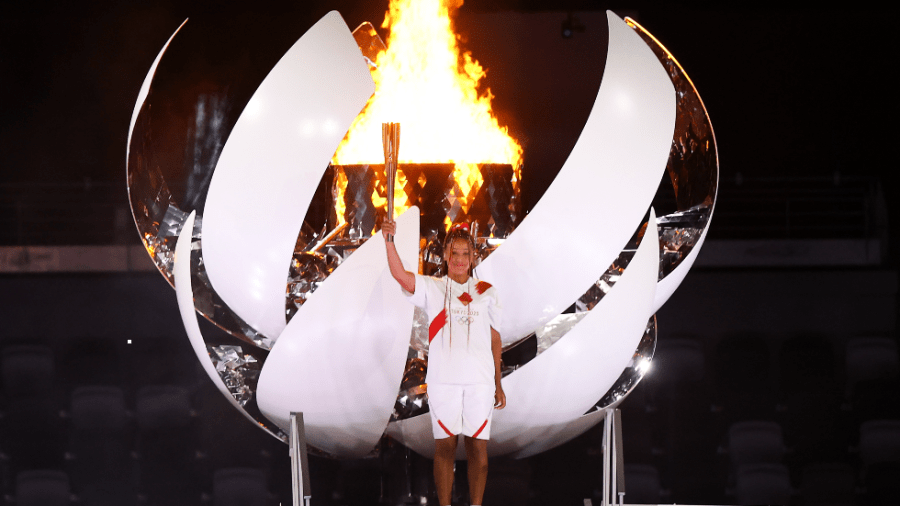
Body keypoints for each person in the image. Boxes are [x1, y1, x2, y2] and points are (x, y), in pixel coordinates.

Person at [381, 219, 506, 506]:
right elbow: (400, 275)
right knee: (445, 448)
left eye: (465, 254)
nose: (460, 259)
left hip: (480, 381)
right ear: (446, 256)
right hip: (444, 380)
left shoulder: (488, 291)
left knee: (479, 453)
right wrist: (389, 240)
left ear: (473, 257)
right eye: (455, 253)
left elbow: (495, 339)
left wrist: (498, 383)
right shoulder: (433, 288)